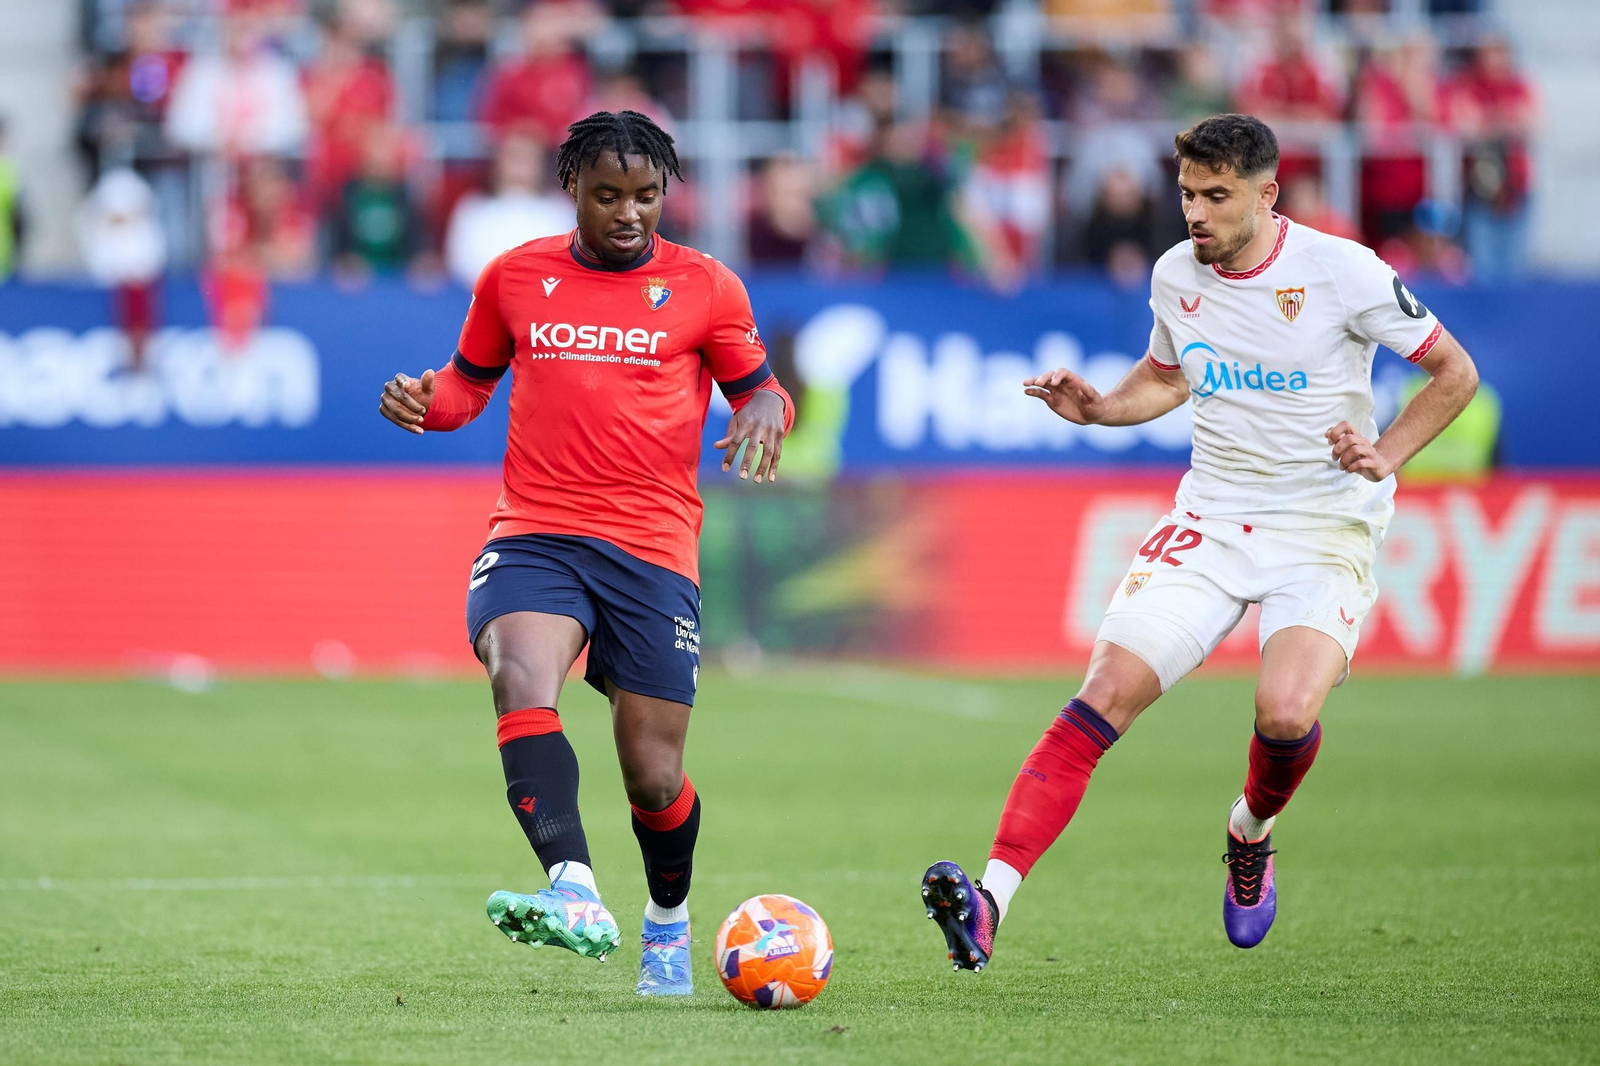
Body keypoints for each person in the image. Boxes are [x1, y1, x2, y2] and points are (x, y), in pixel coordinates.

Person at [921, 114, 1479, 968]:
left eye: (1217, 196)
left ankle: (1249, 832)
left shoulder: (1343, 271)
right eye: (1186, 193)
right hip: (1211, 516)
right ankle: (992, 901)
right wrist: (1103, 407)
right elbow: (1170, 374)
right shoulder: (1176, 273)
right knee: (1103, 693)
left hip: (1323, 523)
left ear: (1267, 193)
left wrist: (1384, 455)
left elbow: (1455, 372)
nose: (1196, 213)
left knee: (1285, 713)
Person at [376, 110, 794, 996]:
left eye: (646, 195)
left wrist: (765, 410)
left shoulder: (708, 287)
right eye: (609, 195)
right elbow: (466, 387)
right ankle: (573, 888)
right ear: (572, 189)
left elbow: (758, 389)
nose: (629, 213)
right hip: (536, 529)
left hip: (651, 546)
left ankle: (668, 924)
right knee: (518, 676)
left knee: (653, 773)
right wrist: (426, 399)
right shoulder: (516, 277)